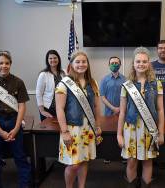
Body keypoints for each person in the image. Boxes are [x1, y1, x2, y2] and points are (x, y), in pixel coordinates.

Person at [117, 47, 165, 187]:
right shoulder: (126, 85)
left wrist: (161, 133)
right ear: (133, 63)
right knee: (132, 161)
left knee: (148, 161)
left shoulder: (157, 84)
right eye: (138, 61)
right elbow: (122, 112)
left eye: (144, 61)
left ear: (149, 63)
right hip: (131, 129)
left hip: (150, 129)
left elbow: (161, 110)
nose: (141, 64)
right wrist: (119, 134)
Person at [55, 51, 102, 188]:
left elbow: (97, 107)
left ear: (87, 64)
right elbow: (59, 109)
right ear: (72, 64)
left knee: (84, 160)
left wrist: (98, 125)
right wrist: (64, 132)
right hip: (72, 129)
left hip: (88, 128)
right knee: (74, 164)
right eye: (78, 62)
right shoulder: (64, 83)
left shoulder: (93, 83)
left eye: (84, 62)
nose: (81, 64)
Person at [0, 50, 31, 188]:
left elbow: (22, 106)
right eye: (0, 63)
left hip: (14, 121)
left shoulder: (18, 82)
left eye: (6, 63)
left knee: (20, 157)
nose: (3, 66)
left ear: (10, 64)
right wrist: (0, 131)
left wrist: (16, 128)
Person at [100, 56, 126, 164]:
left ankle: (123, 155)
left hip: (122, 112)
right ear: (109, 65)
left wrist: (120, 109)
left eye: (116, 63)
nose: (114, 64)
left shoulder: (125, 79)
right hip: (109, 112)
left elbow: (127, 96)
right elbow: (102, 97)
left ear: (120, 65)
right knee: (109, 134)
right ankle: (108, 156)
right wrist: (113, 108)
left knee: (122, 132)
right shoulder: (104, 79)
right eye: (112, 63)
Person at [36, 49, 65, 121]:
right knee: (49, 131)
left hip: (62, 108)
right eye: (50, 58)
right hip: (48, 109)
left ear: (58, 59)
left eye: (55, 58)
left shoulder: (63, 73)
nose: (53, 60)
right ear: (47, 60)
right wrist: (42, 111)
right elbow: (38, 93)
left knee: (60, 130)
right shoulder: (43, 74)